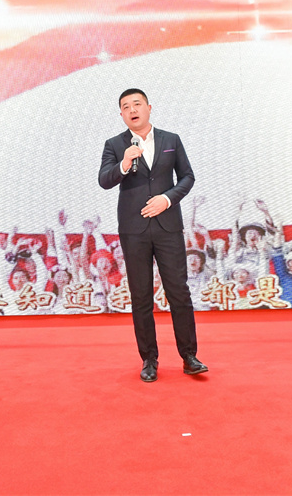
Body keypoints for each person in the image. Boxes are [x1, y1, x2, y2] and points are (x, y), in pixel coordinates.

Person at [98, 88, 207, 382]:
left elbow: (187, 177)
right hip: (133, 229)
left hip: (168, 225)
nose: (132, 110)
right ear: (121, 114)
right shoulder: (115, 145)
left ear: (148, 107)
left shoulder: (171, 140)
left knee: (179, 292)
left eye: (137, 104)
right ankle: (149, 359)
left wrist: (167, 199)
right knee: (141, 296)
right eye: (126, 107)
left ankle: (189, 356)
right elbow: (104, 180)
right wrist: (124, 163)